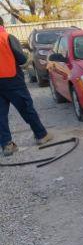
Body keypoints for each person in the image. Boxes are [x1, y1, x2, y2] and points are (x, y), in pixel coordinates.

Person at [0, 17, 52, 156]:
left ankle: (7, 145)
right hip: (13, 81)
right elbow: (22, 59)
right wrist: (27, 57)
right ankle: (41, 135)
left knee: (0, 116)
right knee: (26, 108)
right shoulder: (7, 37)